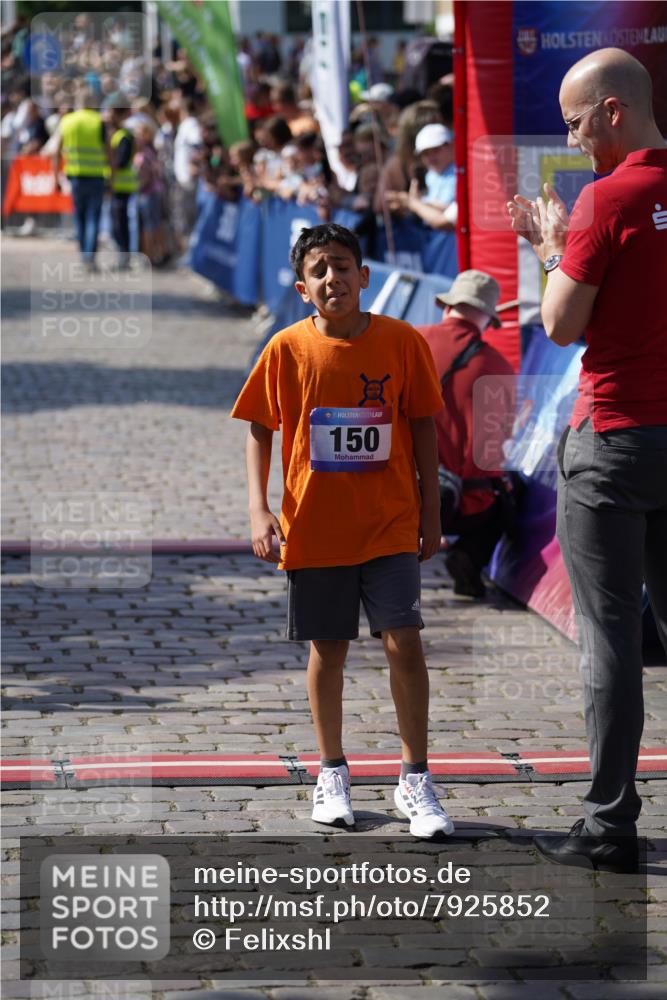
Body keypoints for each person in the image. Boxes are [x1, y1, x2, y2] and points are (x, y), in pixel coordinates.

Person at [231, 223, 455, 840]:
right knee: (327, 650)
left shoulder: (403, 342)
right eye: (320, 270)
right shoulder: (286, 348)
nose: (334, 278)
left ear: (366, 277)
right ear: (304, 288)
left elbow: (426, 427)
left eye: (344, 266)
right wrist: (259, 510)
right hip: (316, 525)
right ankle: (331, 771)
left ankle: (416, 777)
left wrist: (431, 512)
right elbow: (258, 425)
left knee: (404, 642)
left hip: (388, 524)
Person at [507, 47, 667, 873]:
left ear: (612, 109)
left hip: (613, 438)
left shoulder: (607, 197)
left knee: (607, 640)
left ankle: (608, 826)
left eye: (575, 124)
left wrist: (546, 247)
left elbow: (560, 325)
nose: (573, 142)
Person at [419, 271, 515, 598]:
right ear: (487, 319)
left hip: (396, 493)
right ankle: (468, 560)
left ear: (447, 307)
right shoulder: (498, 365)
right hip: (459, 503)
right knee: (505, 502)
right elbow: (494, 449)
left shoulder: (410, 341)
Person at [53, 87, 111, 270]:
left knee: (79, 217)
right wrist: (113, 177)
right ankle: (89, 258)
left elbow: (56, 151)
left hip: (75, 176)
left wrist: (56, 176)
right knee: (93, 217)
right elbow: (110, 152)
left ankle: (83, 256)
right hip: (96, 176)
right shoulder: (99, 121)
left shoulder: (67, 121)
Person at [386, 123, 457, 231]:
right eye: (425, 153)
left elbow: (447, 211)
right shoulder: (431, 175)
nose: (431, 157)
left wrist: (412, 202)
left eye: (436, 150)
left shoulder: (458, 173)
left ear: (451, 146)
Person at [105, 102, 137, 269]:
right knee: (116, 223)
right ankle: (122, 257)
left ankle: (124, 258)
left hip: (122, 186)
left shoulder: (124, 136)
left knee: (120, 224)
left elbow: (121, 162)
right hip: (117, 186)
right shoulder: (117, 134)